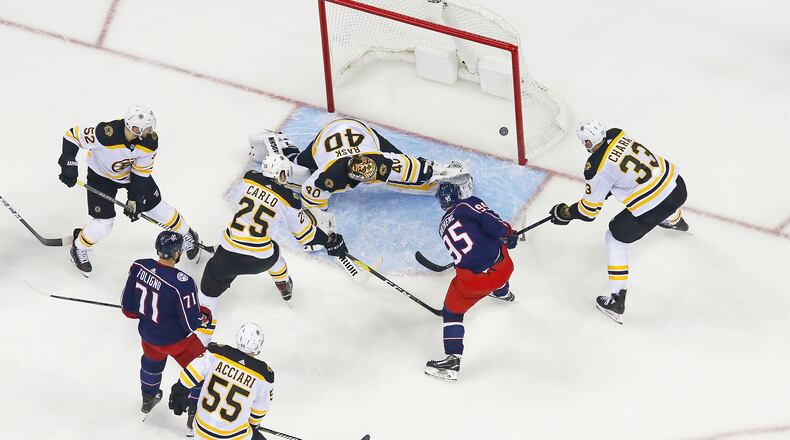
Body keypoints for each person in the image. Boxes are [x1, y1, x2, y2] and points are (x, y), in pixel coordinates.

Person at [548, 120, 689, 324]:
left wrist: (566, 213)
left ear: (588, 142)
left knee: (615, 237)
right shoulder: (616, 135)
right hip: (678, 186)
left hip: (655, 206)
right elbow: (621, 175)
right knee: (663, 193)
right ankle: (676, 220)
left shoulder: (595, 166)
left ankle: (616, 299)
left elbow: (589, 211)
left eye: (585, 142)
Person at [196, 154, 347, 344]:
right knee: (275, 255)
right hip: (259, 259)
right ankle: (284, 285)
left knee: (207, 300)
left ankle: (200, 344)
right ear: (280, 173)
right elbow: (305, 235)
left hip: (226, 255)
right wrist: (329, 240)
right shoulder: (289, 198)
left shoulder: (248, 177)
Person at [249, 119, 469, 239]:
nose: (369, 181)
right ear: (350, 175)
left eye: (372, 177)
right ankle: (275, 140)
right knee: (297, 167)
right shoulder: (330, 177)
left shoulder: (383, 163)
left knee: (401, 173)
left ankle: (438, 187)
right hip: (325, 138)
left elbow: (416, 166)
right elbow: (309, 191)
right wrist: (321, 223)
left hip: (361, 131)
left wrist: (443, 172)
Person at [57, 105, 202, 276]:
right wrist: (68, 162)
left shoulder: (149, 142)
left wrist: (136, 199)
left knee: (157, 208)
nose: (146, 133)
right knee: (104, 225)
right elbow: (72, 135)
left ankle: (187, 233)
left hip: (130, 177)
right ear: (131, 126)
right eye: (142, 129)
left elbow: (141, 173)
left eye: (148, 128)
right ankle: (78, 247)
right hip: (101, 177)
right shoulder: (106, 133)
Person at [424, 182, 519, 382]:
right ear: (459, 194)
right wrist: (508, 234)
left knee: (452, 313)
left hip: (473, 283)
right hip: (501, 269)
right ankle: (503, 293)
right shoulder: (468, 204)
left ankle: (452, 360)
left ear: (441, 203)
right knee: (496, 257)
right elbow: (492, 223)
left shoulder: (442, 226)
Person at [120, 230, 211, 427]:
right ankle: (194, 412)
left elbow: (128, 309)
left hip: (149, 336)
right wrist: (203, 315)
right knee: (201, 371)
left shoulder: (139, 266)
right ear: (177, 253)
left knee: (151, 363)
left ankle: (148, 398)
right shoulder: (183, 283)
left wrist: (152, 313)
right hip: (178, 343)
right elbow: (191, 324)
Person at [169, 322, 273, 440]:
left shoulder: (216, 353)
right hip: (233, 436)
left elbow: (190, 373)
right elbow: (260, 409)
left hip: (201, 429)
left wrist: (179, 393)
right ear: (258, 346)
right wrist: (253, 424)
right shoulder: (263, 376)